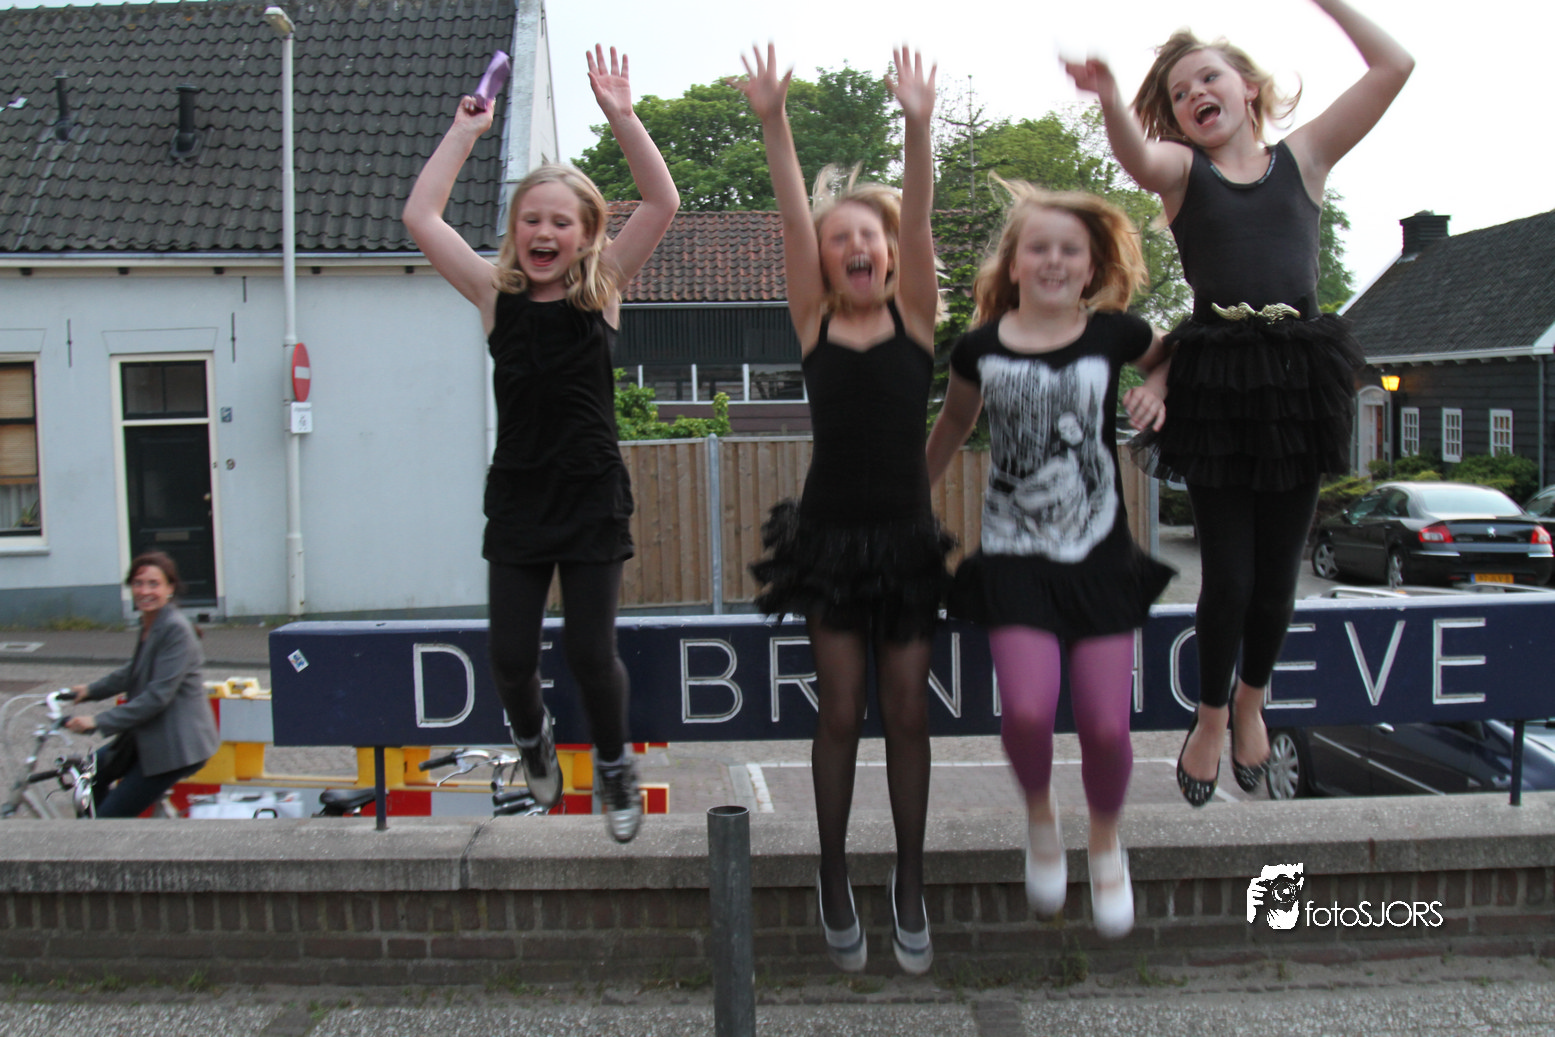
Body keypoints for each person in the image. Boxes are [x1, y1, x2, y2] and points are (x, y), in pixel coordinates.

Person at [1064, 0, 1412, 806]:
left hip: (1296, 379)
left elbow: (1394, 67)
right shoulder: (1183, 173)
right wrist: (1112, 98)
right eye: (1180, 92)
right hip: (1217, 382)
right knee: (1227, 576)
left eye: (1208, 78)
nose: (1195, 94)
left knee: (1277, 577)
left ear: (1247, 87)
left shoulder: (1305, 158)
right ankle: (1211, 714)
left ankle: (1253, 698)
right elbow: (1135, 158)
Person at [402, 45, 679, 842]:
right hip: (521, 493)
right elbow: (421, 218)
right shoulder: (495, 295)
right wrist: (465, 131)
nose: (544, 231)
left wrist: (622, 117)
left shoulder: (603, 288)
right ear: (515, 232)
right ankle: (533, 740)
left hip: (590, 492)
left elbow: (661, 201)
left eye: (561, 221)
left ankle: (615, 766)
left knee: (592, 652)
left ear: (586, 234)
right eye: (532, 219)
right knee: (509, 657)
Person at [734, 44, 949, 975]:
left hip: (903, 540)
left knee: (907, 712)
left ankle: (909, 879)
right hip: (826, 540)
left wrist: (916, 123)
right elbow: (792, 215)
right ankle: (831, 872)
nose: (855, 246)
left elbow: (921, 210)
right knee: (841, 711)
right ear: (823, 262)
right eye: (839, 239)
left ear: (892, 253)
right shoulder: (814, 320)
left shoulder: (916, 316)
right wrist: (773, 119)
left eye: (870, 236)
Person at [926, 182, 1174, 939]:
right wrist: (906, 500)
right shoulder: (979, 348)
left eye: (1071, 249)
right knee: (1029, 711)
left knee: (1104, 726)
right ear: (1014, 262)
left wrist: (1157, 387)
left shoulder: (1114, 333)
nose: (1054, 260)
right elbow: (953, 425)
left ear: (1092, 265)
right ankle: (1040, 817)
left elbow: (1169, 356)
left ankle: (1104, 841)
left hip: (1098, 555)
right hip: (1012, 556)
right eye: (1039, 247)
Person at [66, 552, 219, 818]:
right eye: (138, 583)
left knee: (109, 818)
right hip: (149, 735)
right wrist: (90, 691)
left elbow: (157, 697)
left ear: (170, 588)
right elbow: (133, 671)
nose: (144, 591)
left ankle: (102, 835)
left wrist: (97, 721)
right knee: (88, 774)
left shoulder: (176, 630)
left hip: (174, 746)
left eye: (153, 584)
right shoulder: (153, 623)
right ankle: (96, 829)